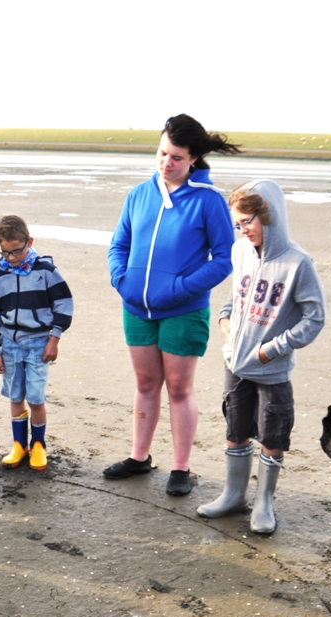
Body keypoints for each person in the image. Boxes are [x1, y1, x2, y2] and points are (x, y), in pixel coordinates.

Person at [105, 114, 240, 495]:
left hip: (184, 310)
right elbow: (119, 244)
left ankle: (180, 468)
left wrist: (180, 288)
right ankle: (139, 457)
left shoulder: (209, 201)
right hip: (137, 308)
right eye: (163, 153)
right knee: (146, 383)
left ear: (193, 158)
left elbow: (224, 259)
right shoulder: (139, 194)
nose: (167, 162)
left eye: (177, 157)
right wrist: (121, 280)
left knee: (179, 389)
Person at [196, 181, 325, 533]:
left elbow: (314, 319)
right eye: (237, 224)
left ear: (269, 215)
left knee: (273, 435)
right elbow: (236, 295)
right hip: (235, 364)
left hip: (272, 371)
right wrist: (224, 317)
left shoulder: (298, 262)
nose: (243, 230)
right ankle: (233, 494)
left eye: (247, 221)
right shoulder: (240, 251)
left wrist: (273, 349)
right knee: (235, 429)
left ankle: (264, 503)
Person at [0, 215, 73, 471]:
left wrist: (54, 338)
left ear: (29, 242)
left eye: (17, 251)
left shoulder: (46, 272)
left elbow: (64, 304)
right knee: (15, 396)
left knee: (35, 396)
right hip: (9, 346)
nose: (11, 257)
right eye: (5, 252)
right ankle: (19, 445)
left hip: (39, 344)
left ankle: (38, 445)